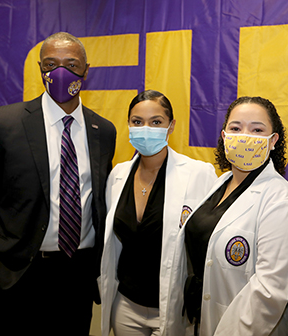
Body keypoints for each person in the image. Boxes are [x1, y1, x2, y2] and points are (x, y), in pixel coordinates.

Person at [0, 32, 116, 336]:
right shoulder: (5, 124)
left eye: (71, 64)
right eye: (50, 64)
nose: (60, 72)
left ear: (86, 71)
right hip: (18, 276)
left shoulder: (103, 130)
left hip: (77, 276)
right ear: (40, 70)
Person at [163, 96, 288, 336]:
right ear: (225, 136)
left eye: (257, 129)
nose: (245, 135)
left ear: (273, 141)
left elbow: (270, 291)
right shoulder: (220, 184)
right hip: (195, 320)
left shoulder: (281, 200)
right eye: (235, 128)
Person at [98, 90, 217, 336]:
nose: (145, 129)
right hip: (126, 305)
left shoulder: (198, 174)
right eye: (137, 122)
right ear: (129, 125)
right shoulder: (117, 176)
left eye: (156, 122)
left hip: (173, 306)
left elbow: (208, 243)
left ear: (171, 126)